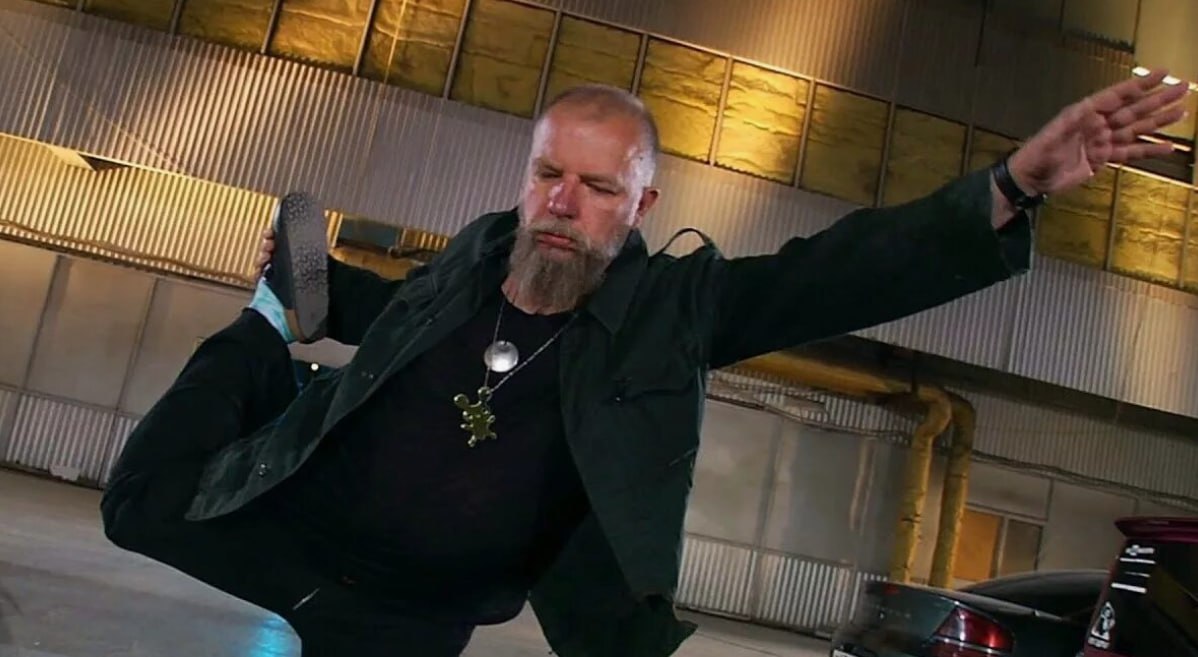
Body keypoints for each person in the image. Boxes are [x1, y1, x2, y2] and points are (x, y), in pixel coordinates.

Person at [100, 72, 1188, 656]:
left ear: (642, 204)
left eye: (599, 188)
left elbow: (844, 272)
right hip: (304, 530)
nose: (563, 205)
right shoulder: (473, 256)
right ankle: (267, 335)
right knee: (136, 504)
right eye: (549, 176)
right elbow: (398, 326)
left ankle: (284, 333)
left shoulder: (673, 313)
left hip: (410, 618)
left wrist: (1010, 185)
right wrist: (316, 290)